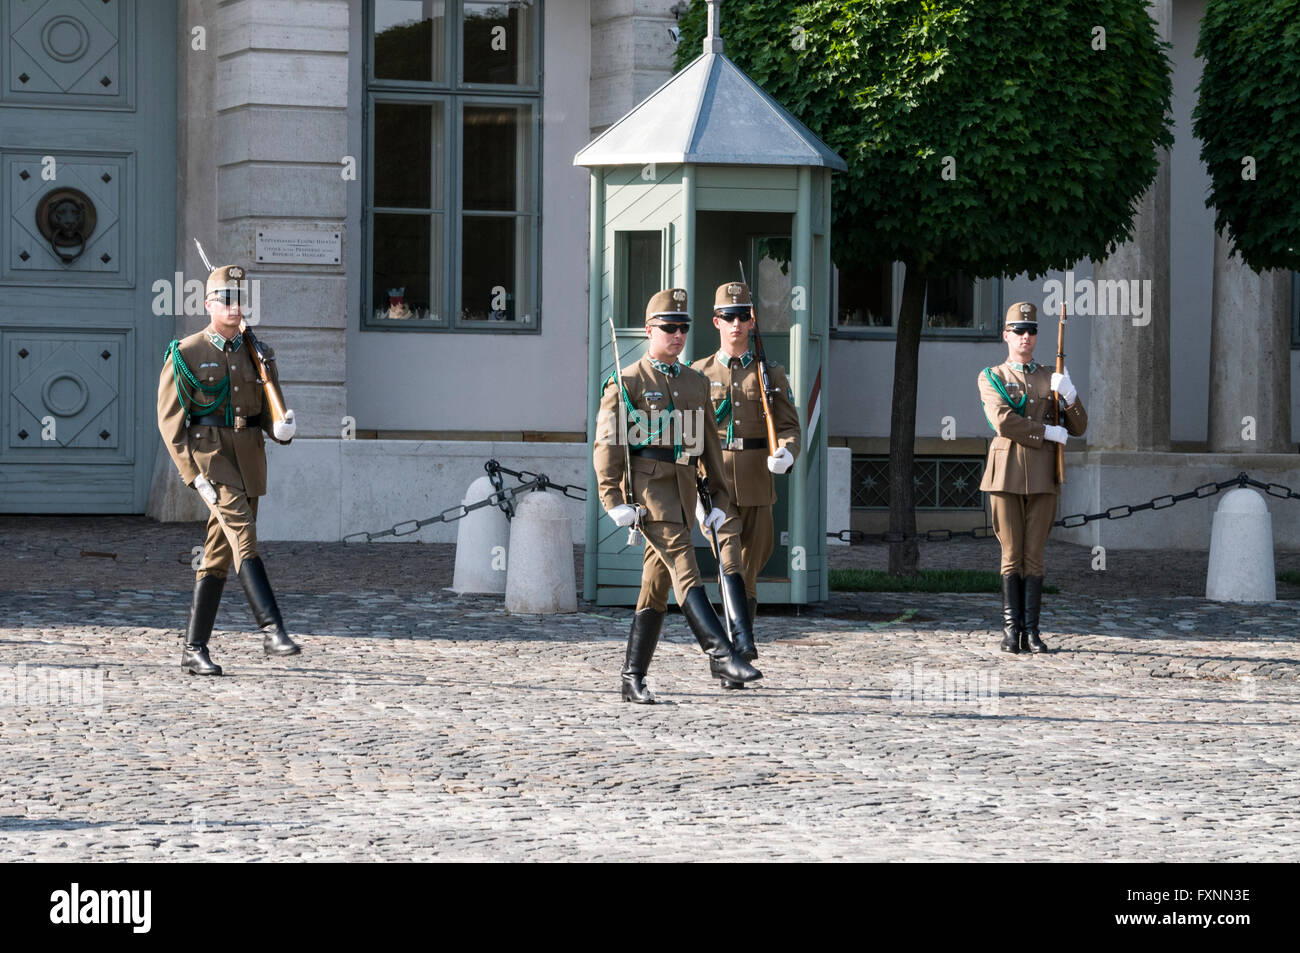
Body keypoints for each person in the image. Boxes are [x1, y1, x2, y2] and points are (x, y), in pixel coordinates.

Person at [594, 288, 763, 703]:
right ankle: (722, 653)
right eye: (669, 327)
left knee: (654, 586)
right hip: (650, 496)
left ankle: (632, 678)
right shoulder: (629, 380)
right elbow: (608, 443)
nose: (677, 335)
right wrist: (613, 500)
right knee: (686, 567)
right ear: (650, 330)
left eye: (683, 327)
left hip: (686, 493)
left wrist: (718, 500)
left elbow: (708, 446)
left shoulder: (695, 382)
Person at [157, 264, 300, 675]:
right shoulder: (186, 353)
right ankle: (273, 630)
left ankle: (193, 648)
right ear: (208, 304)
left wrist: (284, 429)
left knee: (218, 554)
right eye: (225, 300)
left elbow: (271, 414)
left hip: (249, 460)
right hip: (211, 461)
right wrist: (193, 475)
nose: (234, 307)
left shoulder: (259, 353)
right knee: (244, 534)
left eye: (239, 300)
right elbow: (171, 424)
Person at [690, 280, 801, 676]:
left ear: (751, 322)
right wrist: (694, 487)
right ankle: (742, 644)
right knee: (730, 560)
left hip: (758, 480)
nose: (735, 324)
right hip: (716, 482)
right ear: (716, 322)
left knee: (749, 571)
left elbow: (789, 425)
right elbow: (689, 436)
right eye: (727, 317)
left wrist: (785, 452)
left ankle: (732, 660)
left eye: (742, 317)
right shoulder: (698, 374)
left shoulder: (769, 373)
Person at [977, 301, 1087, 654]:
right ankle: (1012, 633)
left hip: (1042, 475)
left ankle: (1033, 632)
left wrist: (1069, 397)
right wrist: (1045, 433)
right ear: (1007, 335)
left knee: (1035, 555)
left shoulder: (1048, 376)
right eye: (1019, 331)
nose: (1026, 336)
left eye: (1032, 331)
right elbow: (1002, 420)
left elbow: (1080, 427)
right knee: (1011, 554)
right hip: (1005, 472)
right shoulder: (991, 376)